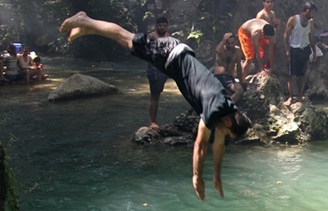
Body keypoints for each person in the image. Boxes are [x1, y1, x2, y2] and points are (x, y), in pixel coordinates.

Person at [60, 11, 252, 200]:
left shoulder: (228, 107)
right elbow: (200, 145)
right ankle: (84, 20)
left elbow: (218, 144)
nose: (223, 136)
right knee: (124, 38)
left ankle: (86, 29)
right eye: (227, 133)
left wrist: (217, 175)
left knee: (125, 40)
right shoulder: (215, 106)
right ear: (228, 123)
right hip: (167, 53)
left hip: (173, 56)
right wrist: (196, 177)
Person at [283, 1, 318, 105]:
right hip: (294, 49)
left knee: (302, 75)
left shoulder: (310, 22)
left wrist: (314, 51)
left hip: (305, 49)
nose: (313, 16)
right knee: (292, 75)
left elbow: (311, 37)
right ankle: (290, 97)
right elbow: (286, 35)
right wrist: (287, 49)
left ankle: (299, 97)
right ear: (307, 11)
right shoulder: (293, 20)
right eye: (313, 13)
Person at [145, 16, 172, 129]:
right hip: (153, 70)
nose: (162, 27)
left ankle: (154, 120)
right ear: (156, 26)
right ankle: (152, 121)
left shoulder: (169, 37)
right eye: (160, 25)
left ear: (167, 26)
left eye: (164, 25)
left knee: (158, 95)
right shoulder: (151, 37)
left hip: (164, 70)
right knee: (154, 96)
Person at [213, 32, 244, 102]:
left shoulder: (237, 51)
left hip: (229, 78)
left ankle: (227, 106)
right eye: (228, 43)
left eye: (232, 43)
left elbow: (239, 66)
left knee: (239, 90)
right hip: (218, 76)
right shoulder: (221, 50)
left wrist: (241, 80)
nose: (230, 45)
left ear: (235, 41)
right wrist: (224, 39)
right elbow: (217, 50)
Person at [255, 0, 279, 69]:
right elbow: (257, 29)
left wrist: (278, 23)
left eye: (271, 2)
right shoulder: (261, 15)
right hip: (263, 40)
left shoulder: (272, 13)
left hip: (272, 39)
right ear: (264, 3)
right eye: (268, 2)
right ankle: (260, 70)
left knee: (272, 55)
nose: (270, 4)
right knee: (265, 54)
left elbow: (275, 28)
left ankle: (269, 70)